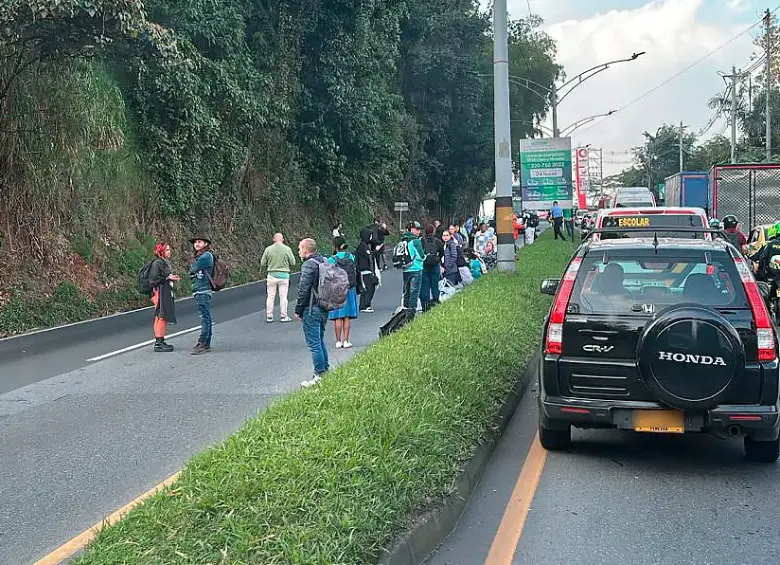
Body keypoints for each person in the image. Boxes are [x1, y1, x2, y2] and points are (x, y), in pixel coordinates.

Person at [295, 238, 329, 387]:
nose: (298, 252)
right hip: (324, 305)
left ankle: (319, 375)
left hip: (311, 307)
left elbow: (304, 289)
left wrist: (298, 309)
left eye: (299, 249)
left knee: (314, 343)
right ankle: (325, 371)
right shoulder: (324, 261)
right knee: (320, 340)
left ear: (306, 250)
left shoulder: (309, 265)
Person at [148, 242, 180, 352]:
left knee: (159, 316)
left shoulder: (163, 262)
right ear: (161, 251)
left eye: (169, 250)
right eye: (167, 250)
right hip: (158, 293)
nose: (169, 252)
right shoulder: (158, 263)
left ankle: (159, 340)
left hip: (162, 292)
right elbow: (154, 280)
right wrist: (167, 278)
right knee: (162, 316)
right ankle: (159, 342)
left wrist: (170, 277)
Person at [328, 237, 359, 349]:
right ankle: (346, 340)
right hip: (350, 288)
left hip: (337, 290)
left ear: (334, 246)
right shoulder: (351, 256)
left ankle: (338, 341)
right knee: (347, 316)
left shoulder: (332, 259)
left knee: (337, 317)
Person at [260, 232, 297, 323]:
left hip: (271, 275)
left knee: (270, 297)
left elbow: (262, 263)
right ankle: (283, 316)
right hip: (284, 276)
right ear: (283, 240)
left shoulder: (268, 249)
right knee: (283, 297)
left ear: (273, 239)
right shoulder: (287, 249)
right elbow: (293, 262)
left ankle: (269, 316)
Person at [189, 235, 215, 355]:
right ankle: (206, 343)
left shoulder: (205, 256)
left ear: (205, 244)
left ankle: (202, 343)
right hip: (201, 290)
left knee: (204, 317)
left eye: (199, 242)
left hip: (203, 290)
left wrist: (191, 268)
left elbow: (193, 269)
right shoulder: (201, 256)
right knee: (206, 317)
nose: (196, 244)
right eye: (195, 242)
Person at [401, 221, 425, 316]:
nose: (419, 231)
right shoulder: (416, 241)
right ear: (412, 229)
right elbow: (421, 256)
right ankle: (411, 314)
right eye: (417, 229)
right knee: (414, 291)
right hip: (416, 268)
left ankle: (404, 311)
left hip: (406, 269)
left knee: (407, 291)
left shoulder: (403, 239)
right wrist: (425, 256)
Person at [420, 224, 444, 311]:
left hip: (424, 266)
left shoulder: (422, 241)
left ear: (425, 231)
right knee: (435, 285)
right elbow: (442, 252)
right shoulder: (437, 241)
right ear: (433, 231)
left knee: (425, 286)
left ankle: (425, 306)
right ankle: (436, 303)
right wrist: (437, 260)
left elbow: (419, 253)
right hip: (435, 266)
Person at [356, 227, 378, 312]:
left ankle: (365, 304)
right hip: (364, 271)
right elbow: (367, 257)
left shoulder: (365, 246)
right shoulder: (362, 246)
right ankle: (364, 305)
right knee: (368, 289)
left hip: (367, 271)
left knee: (370, 288)